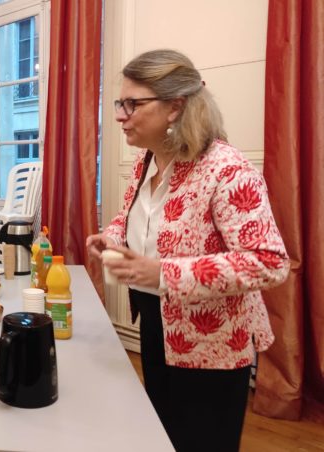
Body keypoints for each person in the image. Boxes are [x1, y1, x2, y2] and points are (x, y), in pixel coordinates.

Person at [85, 49, 289, 452]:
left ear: (175, 107)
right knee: (164, 436)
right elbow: (130, 218)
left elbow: (269, 262)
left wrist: (163, 274)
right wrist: (111, 238)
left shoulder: (226, 169)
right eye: (119, 103)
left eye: (133, 104)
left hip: (211, 346)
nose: (120, 115)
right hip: (157, 324)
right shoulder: (147, 161)